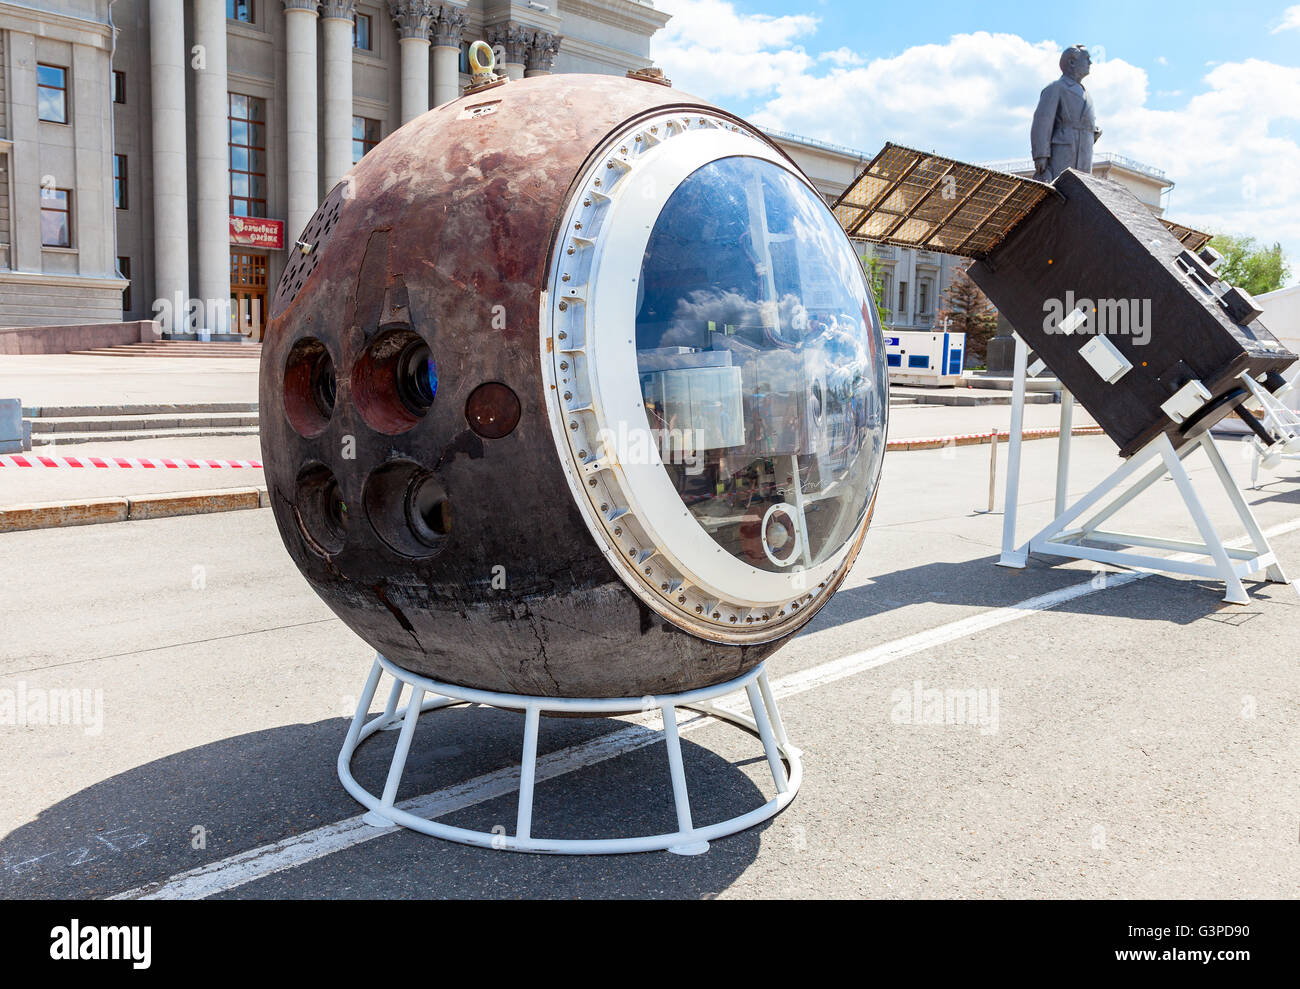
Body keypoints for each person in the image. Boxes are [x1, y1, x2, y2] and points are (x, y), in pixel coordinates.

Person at [1031, 45, 1103, 183]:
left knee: (1082, 191)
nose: (1090, 63)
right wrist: (1041, 155)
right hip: (1062, 152)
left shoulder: (1087, 94)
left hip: (1084, 153)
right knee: (1061, 188)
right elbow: (1042, 123)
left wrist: (1092, 132)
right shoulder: (1056, 88)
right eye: (1087, 58)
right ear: (1072, 62)